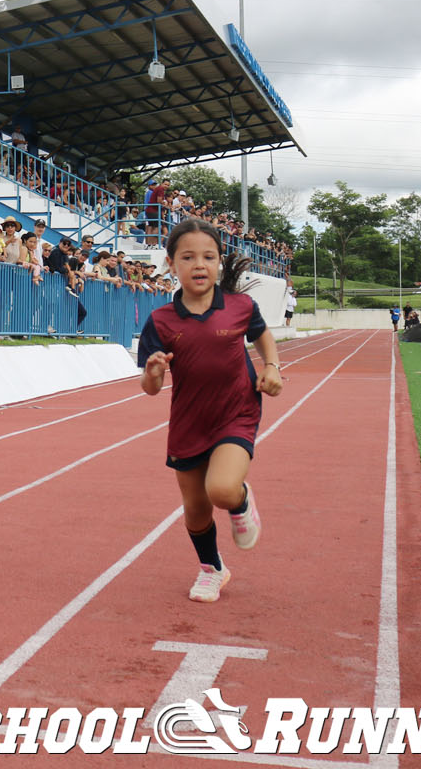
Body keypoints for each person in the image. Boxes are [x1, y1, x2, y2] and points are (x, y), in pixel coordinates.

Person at [138, 217, 282, 603]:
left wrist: (271, 367)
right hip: (189, 421)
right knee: (196, 510)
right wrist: (153, 372)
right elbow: (150, 389)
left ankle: (240, 499)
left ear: (219, 262)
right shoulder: (161, 321)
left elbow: (262, 335)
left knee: (220, 489)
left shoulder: (239, 306)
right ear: (172, 264)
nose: (199, 265)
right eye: (188, 257)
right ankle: (212, 569)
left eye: (208, 256)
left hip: (236, 412)